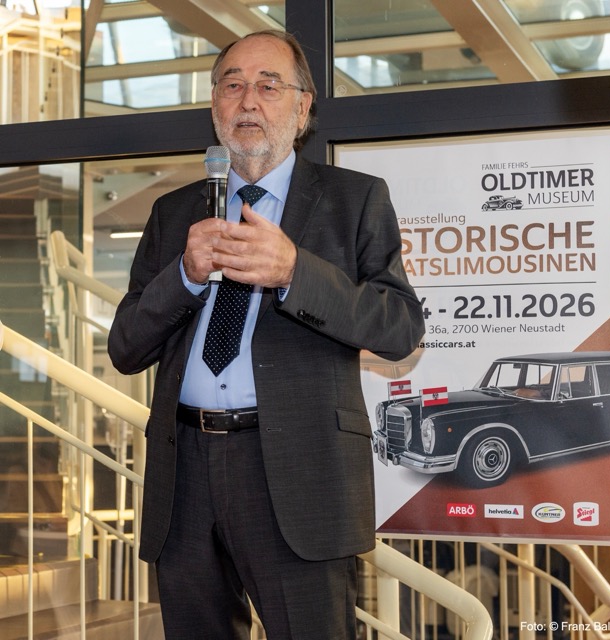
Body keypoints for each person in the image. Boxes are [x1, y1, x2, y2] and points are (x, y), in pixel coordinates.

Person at [108, 29, 424, 640]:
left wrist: (294, 272)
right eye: (233, 85)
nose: (248, 100)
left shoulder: (354, 200)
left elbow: (400, 328)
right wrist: (184, 274)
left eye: (268, 86)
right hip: (185, 473)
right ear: (214, 106)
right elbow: (124, 347)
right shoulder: (175, 213)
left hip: (298, 473)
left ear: (302, 109)